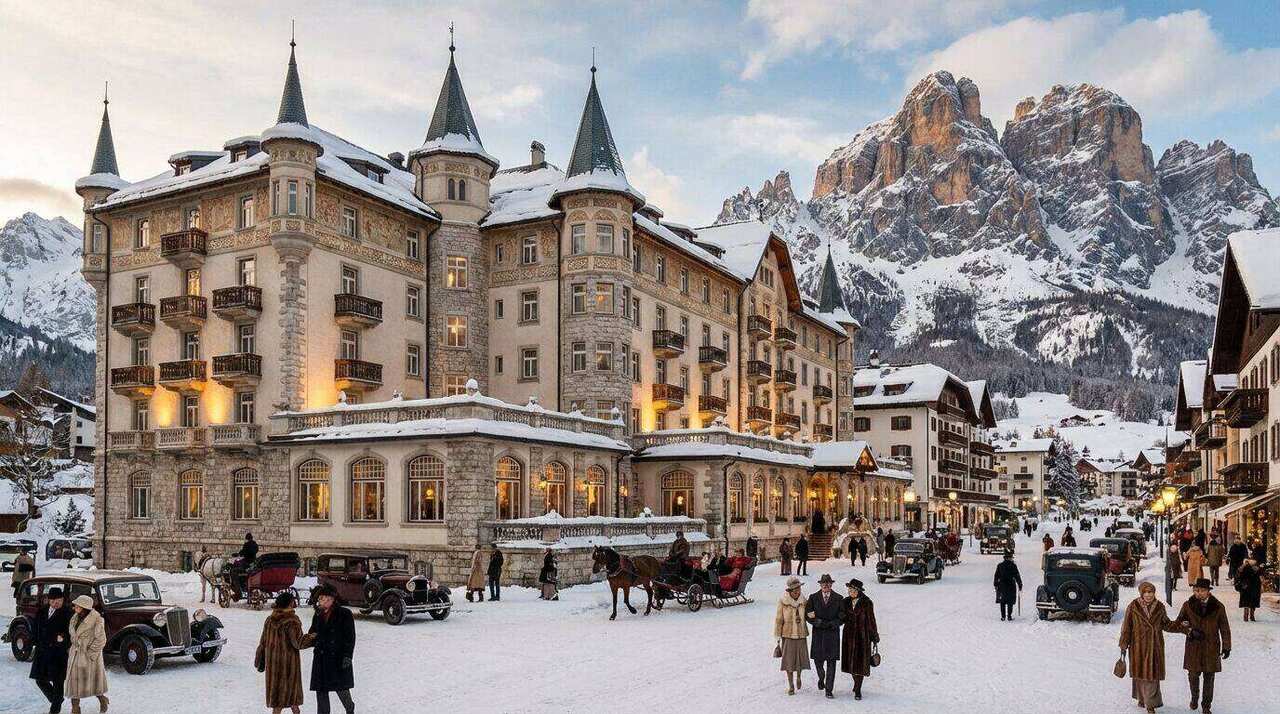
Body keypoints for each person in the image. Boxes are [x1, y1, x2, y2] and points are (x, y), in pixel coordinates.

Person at [1120, 581, 1179, 713]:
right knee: (1140, 673)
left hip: (1154, 646)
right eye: (1146, 592)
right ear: (1141, 593)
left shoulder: (1160, 607)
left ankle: (1150, 704)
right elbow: (1127, 627)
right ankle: (1142, 698)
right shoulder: (1133, 606)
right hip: (1138, 646)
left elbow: (1167, 624)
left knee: (1152, 675)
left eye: (1151, 592)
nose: (1148, 595)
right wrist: (1124, 643)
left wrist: (1182, 627)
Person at [1174, 578, 1230, 714]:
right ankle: (1194, 697)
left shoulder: (1218, 606)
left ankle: (1206, 706)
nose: (1198, 593)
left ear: (1208, 592)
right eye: (1196, 590)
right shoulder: (1188, 605)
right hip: (1194, 646)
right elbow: (1178, 623)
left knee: (1209, 677)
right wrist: (1189, 630)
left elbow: (1224, 628)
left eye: (1202, 591)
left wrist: (1227, 646)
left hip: (1211, 647)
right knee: (1193, 675)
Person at [256, 591, 307, 714]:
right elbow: (298, 642)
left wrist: (260, 658)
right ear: (290, 603)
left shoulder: (269, 619)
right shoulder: (292, 621)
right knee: (293, 699)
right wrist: (313, 638)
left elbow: (263, 641)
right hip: (288, 665)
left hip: (273, 664)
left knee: (277, 702)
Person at [308, 584, 356, 714]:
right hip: (321, 656)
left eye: (322, 598)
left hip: (337, 656)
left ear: (331, 599)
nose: (320, 601)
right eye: (319, 599)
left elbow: (350, 637)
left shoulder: (344, 613)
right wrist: (310, 638)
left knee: (341, 687)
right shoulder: (318, 614)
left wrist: (348, 655)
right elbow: (312, 631)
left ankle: (349, 708)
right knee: (321, 690)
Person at [64, 595, 108, 714]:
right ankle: (75, 708)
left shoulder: (97, 620)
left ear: (84, 607)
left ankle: (102, 699)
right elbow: (73, 635)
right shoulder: (75, 618)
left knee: (93, 683)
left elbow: (101, 640)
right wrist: (72, 647)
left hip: (89, 658)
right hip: (76, 655)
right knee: (74, 683)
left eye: (77, 606)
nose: (74, 607)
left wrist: (90, 653)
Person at [30, 586, 71, 714]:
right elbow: (36, 628)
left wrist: (63, 638)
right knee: (40, 680)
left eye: (59, 600)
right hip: (42, 652)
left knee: (58, 682)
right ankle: (56, 700)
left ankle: (54, 710)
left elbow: (72, 633)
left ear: (63, 600)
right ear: (48, 600)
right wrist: (35, 642)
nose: (56, 603)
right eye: (53, 600)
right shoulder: (42, 611)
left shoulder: (68, 613)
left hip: (58, 653)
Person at [839, 578, 879, 701]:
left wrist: (874, 636)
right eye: (849, 589)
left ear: (858, 590)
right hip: (849, 636)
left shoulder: (867, 602)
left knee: (860, 664)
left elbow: (871, 620)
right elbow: (841, 617)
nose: (849, 592)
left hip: (862, 636)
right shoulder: (845, 602)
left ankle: (858, 688)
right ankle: (856, 683)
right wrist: (842, 616)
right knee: (850, 663)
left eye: (852, 590)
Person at [805, 574, 842, 699]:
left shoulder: (838, 598)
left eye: (828, 583)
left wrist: (834, 623)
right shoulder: (813, 598)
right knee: (818, 661)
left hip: (832, 635)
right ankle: (821, 677)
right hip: (819, 634)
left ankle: (829, 690)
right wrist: (817, 622)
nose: (826, 585)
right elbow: (808, 614)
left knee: (831, 663)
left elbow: (842, 616)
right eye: (824, 583)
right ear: (820, 585)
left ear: (831, 584)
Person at [774, 576, 810, 695]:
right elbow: (779, 619)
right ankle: (791, 685)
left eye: (799, 589)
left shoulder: (804, 602)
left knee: (800, 659)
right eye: (795, 589)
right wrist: (778, 635)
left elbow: (809, 616)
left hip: (801, 634)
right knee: (789, 661)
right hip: (788, 635)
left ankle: (799, 676)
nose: (797, 591)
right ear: (789, 591)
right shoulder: (783, 602)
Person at [993, 551, 1022, 621]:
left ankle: (1003, 617)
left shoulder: (1000, 565)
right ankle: (1009, 616)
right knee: (1010, 602)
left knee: (1002, 601)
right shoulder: (1013, 566)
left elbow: (996, 575)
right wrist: (1020, 584)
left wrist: (995, 584)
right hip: (1011, 585)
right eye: (1011, 558)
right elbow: (1017, 575)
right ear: (1010, 558)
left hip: (1002, 585)